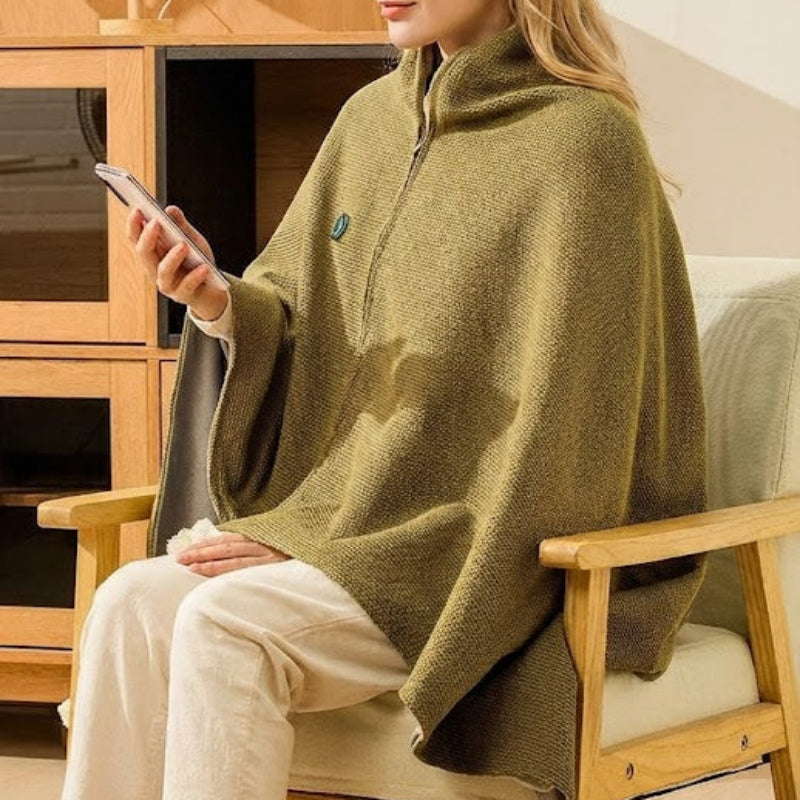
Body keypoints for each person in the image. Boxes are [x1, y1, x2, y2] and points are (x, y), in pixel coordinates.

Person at [62, 1, 709, 799]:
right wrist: (214, 298)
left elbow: (570, 429)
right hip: (342, 526)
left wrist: (333, 549)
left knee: (223, 623)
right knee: (128, 601)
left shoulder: (585, 143)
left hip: (472, 555)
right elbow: (296, 310)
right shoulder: (369, 120)